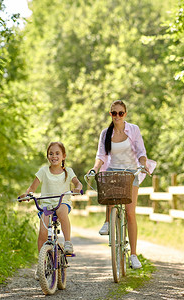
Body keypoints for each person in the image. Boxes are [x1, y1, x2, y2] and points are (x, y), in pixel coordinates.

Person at [89, 100, 156, 269]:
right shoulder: (105, 133)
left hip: (130, 172)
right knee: (108, 193)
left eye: (120, 113)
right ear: (110, 114)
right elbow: (101, 156)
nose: (117, 116)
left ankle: (133, 255)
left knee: (130, 212)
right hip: (112, 171)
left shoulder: (133, 129)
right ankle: (107, 222)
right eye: (114, 113)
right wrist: (95, 169)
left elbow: (141, 152)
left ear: (125, 114)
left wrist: (143, 164)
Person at [20, 142, 83, 279]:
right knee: (43, 233)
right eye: (51, 153)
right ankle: (41, 265)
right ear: (48, 156)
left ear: (63, 156)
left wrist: (77, 187)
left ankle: (67, 242)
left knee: (61, 211)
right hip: (46, 205)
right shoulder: (43, 171)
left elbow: (77, 183)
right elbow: (32, 187)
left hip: (62, 202)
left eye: (57, 153)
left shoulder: (68, 171)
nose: (54, 156)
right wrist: (27, 194)